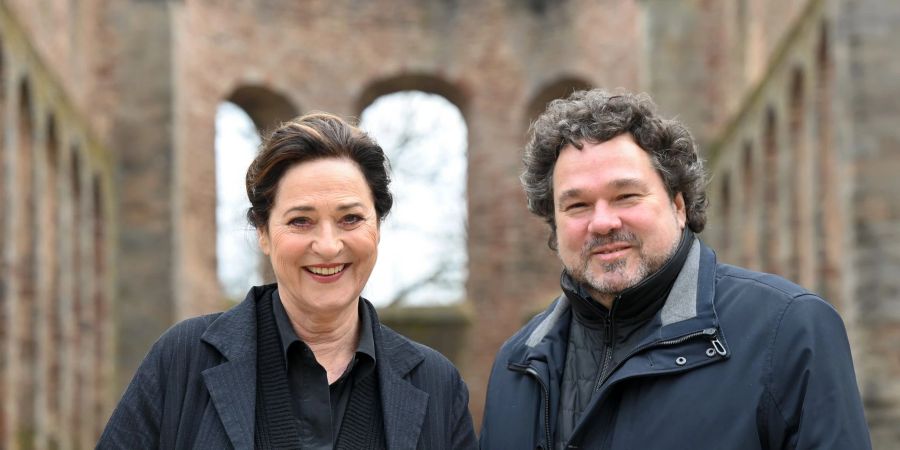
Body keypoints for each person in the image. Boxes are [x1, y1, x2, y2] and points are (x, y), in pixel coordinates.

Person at [479, 89, 871, 449]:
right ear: (555, 224)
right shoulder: (517, 366)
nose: (602, 222)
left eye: (626, 196)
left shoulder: (787, 331)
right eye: (577, 205)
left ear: (678, 206)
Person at [99, 112, 477, 449]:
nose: (328, 246)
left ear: (377, 227)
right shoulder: (182, 359)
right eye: (300, 221)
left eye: (350, 219)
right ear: (263, 232)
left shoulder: (437, 384)